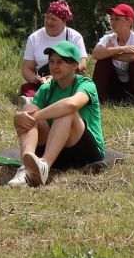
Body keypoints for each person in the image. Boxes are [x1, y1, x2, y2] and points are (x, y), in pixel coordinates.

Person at [10, 41, 104, 187]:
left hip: (86, 154)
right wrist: (20, 116)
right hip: (56, 151)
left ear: (74, 65)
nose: (54, 66)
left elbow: (72, 104)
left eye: (60, 62)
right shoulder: (46, 88)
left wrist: (33, 117)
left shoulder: (86, 84)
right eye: (51, 61)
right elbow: (28, 113)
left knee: (67, 112)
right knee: (28, 107)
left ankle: (44, 166)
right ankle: (26, 168)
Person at [20, 0, 86, 98]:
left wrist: (58, 77)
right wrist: (34, 79)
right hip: (43, 82)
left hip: (66, 80)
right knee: (27, 88)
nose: (48, 22)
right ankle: (39, 98)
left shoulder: (74, 37)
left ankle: (43, 100)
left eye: (54, 19)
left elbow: (82, 65)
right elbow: (27, 68)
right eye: (47, 17)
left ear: (64, 21)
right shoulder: (34, 38)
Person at [90, 4, 134, 109]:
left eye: (117, 19)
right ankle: (97, 100)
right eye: (111, 19)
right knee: (102, 61)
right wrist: (122, 49)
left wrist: (110, 53)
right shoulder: (108, 38)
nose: (112, 22)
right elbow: (96, 54)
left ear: (129, 21)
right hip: (116, 86)